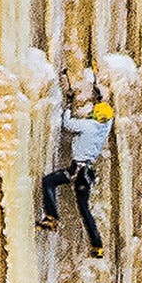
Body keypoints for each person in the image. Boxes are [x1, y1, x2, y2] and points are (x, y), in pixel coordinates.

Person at [40, 80, 113, 257]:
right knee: (83, 208)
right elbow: (106, 114)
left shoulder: (88, 126)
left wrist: (68, 104)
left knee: (48, 181)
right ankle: (97, 246)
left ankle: (52, 218)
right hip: (87, 173)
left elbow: (68, 124)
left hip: (77, 170)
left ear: (95, 116)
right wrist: (98, 94)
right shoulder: (104, 127)